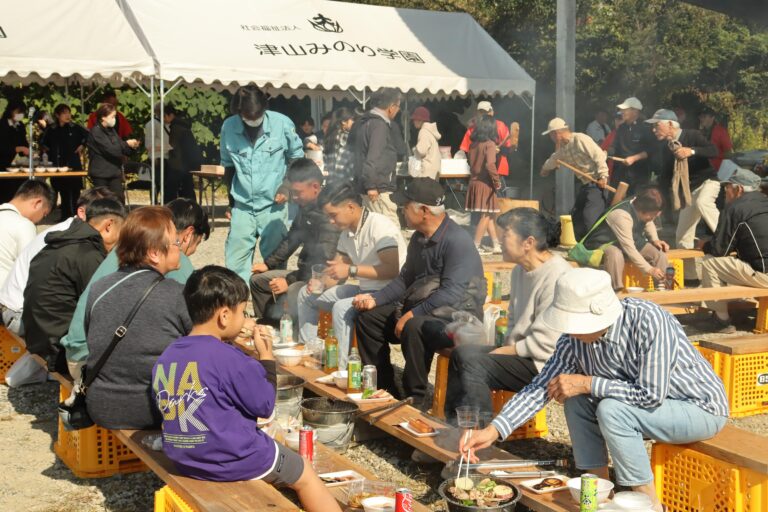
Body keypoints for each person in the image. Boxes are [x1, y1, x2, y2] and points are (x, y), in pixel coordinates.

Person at [461, 268, 729, 512]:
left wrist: (588, 383)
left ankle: (649, 505)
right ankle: (596, 498)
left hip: (698, 407)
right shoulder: (573, 339)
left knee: (611, 408)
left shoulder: (649, 320)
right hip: (646, 411)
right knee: (577, 401)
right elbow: (542, 386)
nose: (568, 329)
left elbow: (650, 395)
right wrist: (494, 430)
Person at [152, 266, 341, 512]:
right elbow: (264, 406)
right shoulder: (227, 356)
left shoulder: (166, 356)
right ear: (224, 316)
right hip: (233, 459)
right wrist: (266, 357)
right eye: (243, 311)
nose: (245, 319)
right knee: (304, 472)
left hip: (184, 457)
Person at [354, 178, 486, 408]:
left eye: (404, 206)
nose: (401, 211)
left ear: (424, 210)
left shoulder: (457, 241)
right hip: (424, 307)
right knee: (368, 319)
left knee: (416, 327)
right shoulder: (418, 238)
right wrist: (375, 299)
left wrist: (412, 314)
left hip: (459, 318)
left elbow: (452, 292)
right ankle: (384, 388)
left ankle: (415, 397)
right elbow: (405, 279)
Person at [445, 208, 572, 423]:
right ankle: (454, 427)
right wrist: (505, 347)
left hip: (546, 362)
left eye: (505, 236)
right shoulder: (518, 271)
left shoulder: (558, 276)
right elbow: (513, 320)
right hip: (521, 353)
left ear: (528, 242)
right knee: (461, 354)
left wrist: (507, 350)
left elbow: (549, 343)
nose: (500, 241)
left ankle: (479, 434)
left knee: (474, 362)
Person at [62, 198, 210, 366]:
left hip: (80, 347)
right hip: (94, 358)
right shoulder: (170, 255)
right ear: (188, 235)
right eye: (196, 243)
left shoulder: (129, 248)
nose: (191, 252)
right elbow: (196, 321)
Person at [84, 206, 193, 430]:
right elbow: (205, 346)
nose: (179, 249)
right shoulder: (176, 294)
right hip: (154, 408)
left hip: (101, 405)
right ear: (154, 253)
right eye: (175, 243)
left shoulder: (99, 288)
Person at [296, 181, 406, 368]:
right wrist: (320, 282)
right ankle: (310, 351)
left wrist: (351, 269)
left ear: (350, 207)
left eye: (333, 215)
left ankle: (342, 369)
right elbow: (337, 272)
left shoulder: (379, 225)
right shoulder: (346, 233)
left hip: (389, 294)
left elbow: (391, 269)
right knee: (305, 295)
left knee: (341, 308)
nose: (331, 221)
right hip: (364, 288)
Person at [23, 198, 126, 374]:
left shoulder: (62, 243)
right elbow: (104, 306)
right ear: (109, 225)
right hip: (58, 350)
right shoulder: (88, 254)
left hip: (37, 338)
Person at [0, 187, 116, 334]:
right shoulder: (69, 239)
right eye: (103, 216)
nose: (109, 226)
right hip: (22, 313)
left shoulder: (69, 232)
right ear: (82, 212)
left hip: (19, 308)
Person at [221, 85, 304, 283]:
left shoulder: (282, 124)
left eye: (257, 115)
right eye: (248, 116)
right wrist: (231, 202)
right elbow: (228, 167)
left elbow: (297, 158)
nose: (253, 119)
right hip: (243, 207)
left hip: (273, 206)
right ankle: (239, 304)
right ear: (239, 112)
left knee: (273, 261)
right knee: (235, 261)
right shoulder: (228, 127)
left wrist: (287, 186)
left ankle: (270, 306)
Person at [250, 159, 339, 322]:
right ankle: (269, 328)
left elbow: (323, 260)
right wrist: (269, 264)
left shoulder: (330, 213)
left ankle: (296, 336)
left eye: (298, 192)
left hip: (322, 277)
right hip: (303, 273)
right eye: (293, 192)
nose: (294, 198)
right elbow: (292, 238)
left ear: (315, 187)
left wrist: (289, 281)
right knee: (257, 281)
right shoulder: (306, 207)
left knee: (293, 291)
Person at [646, 109, 718, 280]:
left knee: (702, 202)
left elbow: (714, 150)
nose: (654, 130)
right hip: (689, 191)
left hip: (708, 182)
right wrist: (659, 202)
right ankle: (692, 278)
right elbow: (665, 177)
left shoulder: (692, 135)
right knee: (683, 236)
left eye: (657, 126)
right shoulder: (666, 148)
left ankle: (727, 235)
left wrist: (691, 151)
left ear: (670, 124)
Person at [699, 167, 768, 333]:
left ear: (740, 189)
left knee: (710, 263)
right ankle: (741, 307)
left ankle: (721, 320)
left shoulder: (735, 209)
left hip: (765, 276)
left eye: (728, 187)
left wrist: (704, 245)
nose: (725, 192)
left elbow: (718, 251)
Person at [583, 187, 670, 291]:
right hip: (602, 244)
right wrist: (650, 270)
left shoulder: (638, 204)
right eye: (653, 215)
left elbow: (648, 221)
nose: (654, 218)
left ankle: (662, 288)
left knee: (659, 254)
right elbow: (629, 249)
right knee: (615, 254)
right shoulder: (621, 215)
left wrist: (655, 240)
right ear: (643, 210)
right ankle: (616, 292)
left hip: (628, 241)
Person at [540, 118, 610, 240]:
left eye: (551, 134)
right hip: (586, 185)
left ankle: (596, 245)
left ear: (557, 133)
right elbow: (554, 159)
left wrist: (603, 176)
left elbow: (599, 156)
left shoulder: (580, 139)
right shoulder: (563, 148)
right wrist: (545, 169)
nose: (551, 137)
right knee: (576, 217)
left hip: (597, 183)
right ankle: (581, 245)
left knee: (590, 218)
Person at [348, 87, 406, 226]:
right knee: (391, 231)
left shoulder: (360, 123)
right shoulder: (379, 125)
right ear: (391, 107)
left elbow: (352, 151)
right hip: (378, 189)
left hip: (363, 184)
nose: (398, 111)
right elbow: (374, 156)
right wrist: (371, 185)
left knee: (372, 229)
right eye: (398, 107)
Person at [0, 180, 54, 287]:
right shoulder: (24, 225)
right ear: (38, 203)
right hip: (6, 295)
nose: (40, 221)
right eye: (44, 215)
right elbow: (31, 268)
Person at [41, 104, 88, 220]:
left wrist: (82, 145)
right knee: (63, 191)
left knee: (75, 191)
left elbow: (88, 136)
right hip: (58, 164)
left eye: (69, 112)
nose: (68, 115)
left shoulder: (75, 127)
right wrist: (46, 151)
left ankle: (77, 216)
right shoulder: (52, 129)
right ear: (57, 115)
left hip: (73, 163)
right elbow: (43, 142)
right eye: (64, 113)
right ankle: (65, 216)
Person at [86, 103, 140, 202]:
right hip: (101, 174)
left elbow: (121, 148)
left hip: (114, 172)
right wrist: (126, 144)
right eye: (112, 116)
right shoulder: (95, 132)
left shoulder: (112, 131)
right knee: (103, 201)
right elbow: (111, 150)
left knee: (119, 199)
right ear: (103, 117)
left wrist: (132, 147)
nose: (114, 119)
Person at [467, 116, 502, 255]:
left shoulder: (473, 144)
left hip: (474, 182)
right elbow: (490, 164)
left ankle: (496, 245)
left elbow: (473, 163)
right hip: (485, 184)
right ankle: (475, 245)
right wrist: (497, 181)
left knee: (489, 215)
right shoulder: (490, 144)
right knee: (486, 216)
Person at [608, 97, 655, 192]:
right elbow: (614, 146)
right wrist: (606, 152)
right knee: (615, 200)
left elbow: (651, 150)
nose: (621, 112)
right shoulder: (621, 127)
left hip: (639, 173)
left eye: (624, 110)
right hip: (620, 171)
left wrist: (634, 158)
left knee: (635, 200)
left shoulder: (646, 127)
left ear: (635, 111)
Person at [459, 101, 513, 182]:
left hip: (496, 170)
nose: (484, 114)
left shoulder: (500, 126)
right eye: (481, 112)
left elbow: (509, 147)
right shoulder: (472, 128)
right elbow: (466, 150)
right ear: (477, 113)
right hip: (479, 172)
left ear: (492, 112)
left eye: (486, 112)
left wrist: (500, 150)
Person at [168, 108, 202, 202]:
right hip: (187, 163)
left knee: (172, 190)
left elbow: (172, 145)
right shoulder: (184, 126)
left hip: (178, 164)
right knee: (188, 189)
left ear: (170, 115)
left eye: (164, 116)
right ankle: (193, 209)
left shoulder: (175, 127)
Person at [0, 100, 30, 204]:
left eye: (22, 113)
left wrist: (28, 150)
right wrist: (17, 149)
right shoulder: (2, 125)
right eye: (18, 112)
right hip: (1, 163)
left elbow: (23, 144)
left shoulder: (20, 126)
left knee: (15, 191)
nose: (20, 115)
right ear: (10, 111)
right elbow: (2, 146)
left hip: (13, 166)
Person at [143, 103, 173, 204]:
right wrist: (168, 147)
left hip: (168, 157)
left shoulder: (167, 124)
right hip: (157, 158)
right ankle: (154, 204)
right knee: (156, 183)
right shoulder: (152, 124)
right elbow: (148, 146)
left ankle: (164, 204)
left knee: (165, 184)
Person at [323, 107, 355, 179]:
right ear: (344, 121)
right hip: (344, 181)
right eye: (352, 119)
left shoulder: (330, 137)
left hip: (331, 180)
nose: (353, 122)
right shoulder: (345, 137)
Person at [410, 106, 441, 179]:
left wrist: (414, 149)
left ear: (420, 120)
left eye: (415, 119)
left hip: (426, 172)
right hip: (434, 170)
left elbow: (422, 151)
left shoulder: (423, 131)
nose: (413, 122)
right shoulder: (430, 131)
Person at [698, 107, 733, 171]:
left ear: (712, 118)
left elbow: (728, 153)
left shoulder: (721, 131)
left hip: (718, 171)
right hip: (704, 170)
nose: (701, 119)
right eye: (700, 117)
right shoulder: (701, 132)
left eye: (704, 117)